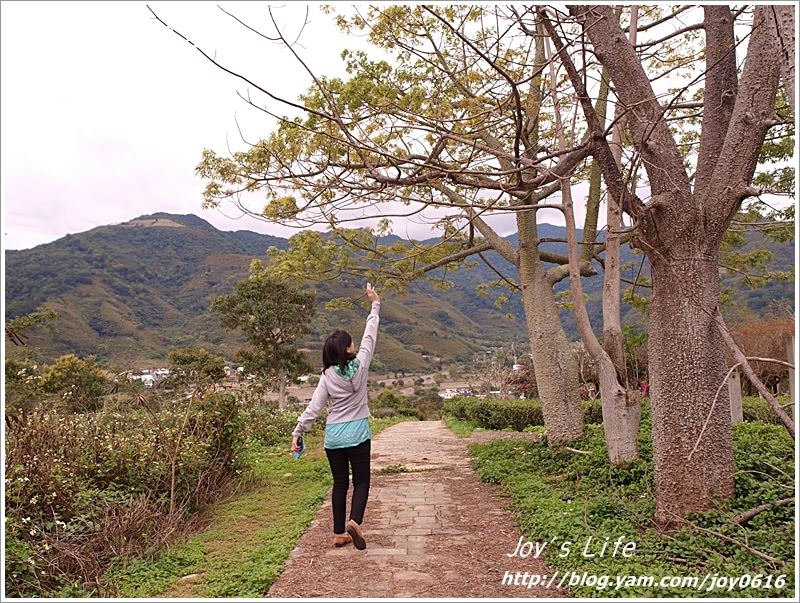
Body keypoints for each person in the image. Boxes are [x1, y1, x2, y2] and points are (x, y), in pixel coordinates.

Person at [291, 282, 381, 550]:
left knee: (340, 484)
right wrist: (375, 304)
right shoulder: (362, 364)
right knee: (362, 480)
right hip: (358, 433)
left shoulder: (326, 376)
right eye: (351, 343)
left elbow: (314, 408)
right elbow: (370, 335)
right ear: (350, 350)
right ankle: (355, 521)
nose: (355, 343)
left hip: (334, 438)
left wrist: (298, 431)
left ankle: (339, 533)